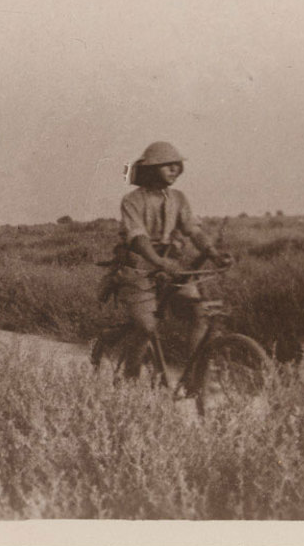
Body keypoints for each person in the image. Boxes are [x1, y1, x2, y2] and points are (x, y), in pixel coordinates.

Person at [93, 141, 232, 379]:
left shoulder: (178, 198)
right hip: (137, 272)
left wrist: (214, 254)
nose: (174, 169)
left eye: (177, 165)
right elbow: (138, 237)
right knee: (147, 328)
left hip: (169, 270)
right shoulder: (132, 201)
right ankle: (129, 383)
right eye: (167, 165)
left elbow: (193, 230)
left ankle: (193, 379)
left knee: (200, 314)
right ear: (151, 169)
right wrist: (159, 261)